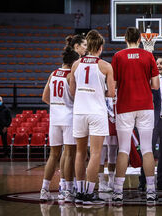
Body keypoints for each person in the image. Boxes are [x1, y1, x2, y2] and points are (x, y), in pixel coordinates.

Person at [111, 27, 159, 203]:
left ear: (125, 39)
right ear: (140, 39)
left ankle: (117, 191)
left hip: (124, 106)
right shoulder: (148, 56)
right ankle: (151, 191)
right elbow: (155, 85)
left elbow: (113, 85)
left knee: (123, 149)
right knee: (147, 149)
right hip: (146, 106)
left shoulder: (118, 56)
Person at [70, 29, 115, 205]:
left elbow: (72, 91)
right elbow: (111, 92)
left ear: (88, 45)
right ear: (101, 47)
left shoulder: (76, 64)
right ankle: (89, 193)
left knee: (80, 152)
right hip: (97, 112)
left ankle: (79, 191)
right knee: (96, 153)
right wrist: (98, 91)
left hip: (79, 111)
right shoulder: (105, 66)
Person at [40, 45, 80, 202]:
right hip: (68, 117)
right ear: (73, 62)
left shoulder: (53, 73)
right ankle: (68, 190)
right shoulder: (71, 75)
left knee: (53, 154)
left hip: (55, 117)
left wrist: (56, 105)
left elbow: (44, 97)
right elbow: (74, 96)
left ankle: (44, 188)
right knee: (69, 154)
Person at [58, 34, 87, 201]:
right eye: (83, 45)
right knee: (70, 152)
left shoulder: (66, 68)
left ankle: (65, 184)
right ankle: (68, 186)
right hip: (71, 113)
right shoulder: (73, 68)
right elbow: (74, 93)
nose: (86, 47)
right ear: (76, 47)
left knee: (66, 152)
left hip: (64, 113)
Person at [138, 56, 162, 192]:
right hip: (152, 119)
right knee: (147, 151)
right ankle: (143, 181)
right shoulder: (152, 80)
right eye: (157, 64)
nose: (159, 66)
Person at [98, 96, 118, 193]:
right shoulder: (101, 87)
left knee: (112, 155)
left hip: (113, 123)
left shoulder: (117, 90)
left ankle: (111, 180)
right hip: (101, 122)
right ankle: (101, 182)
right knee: (100, 156)